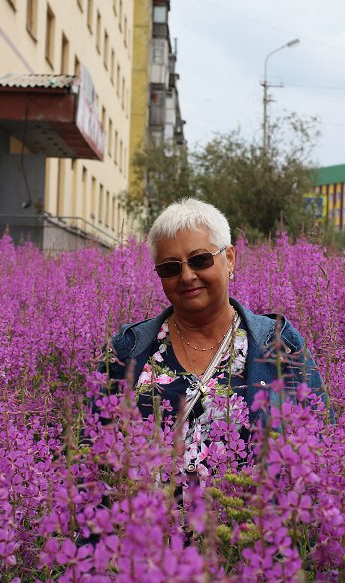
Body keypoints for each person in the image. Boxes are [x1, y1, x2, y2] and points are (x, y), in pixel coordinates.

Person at [100, 198, 328, 474]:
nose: (187, 276)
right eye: (170, 268)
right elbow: (90, 454)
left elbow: (320, 448)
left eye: (200, 260)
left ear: (229, 258)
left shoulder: (280, 345)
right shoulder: (126, 350)